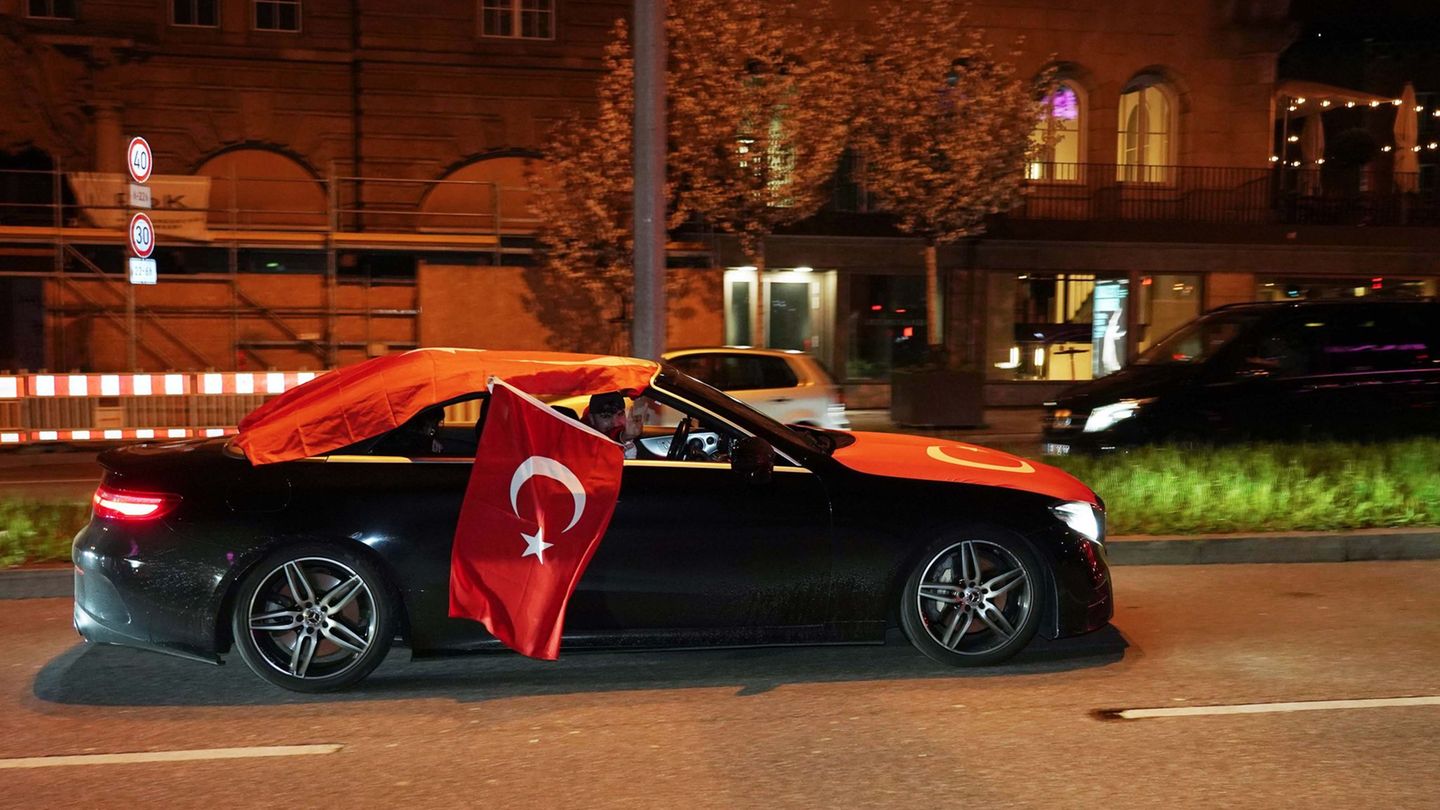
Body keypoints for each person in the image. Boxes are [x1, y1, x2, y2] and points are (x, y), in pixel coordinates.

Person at [583, 392, 637, 459]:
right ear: (592, 419)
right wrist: (622, 437)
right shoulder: (582, 445)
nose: (615, 423)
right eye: (606, 416)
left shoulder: (641, 442)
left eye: (620, 414)